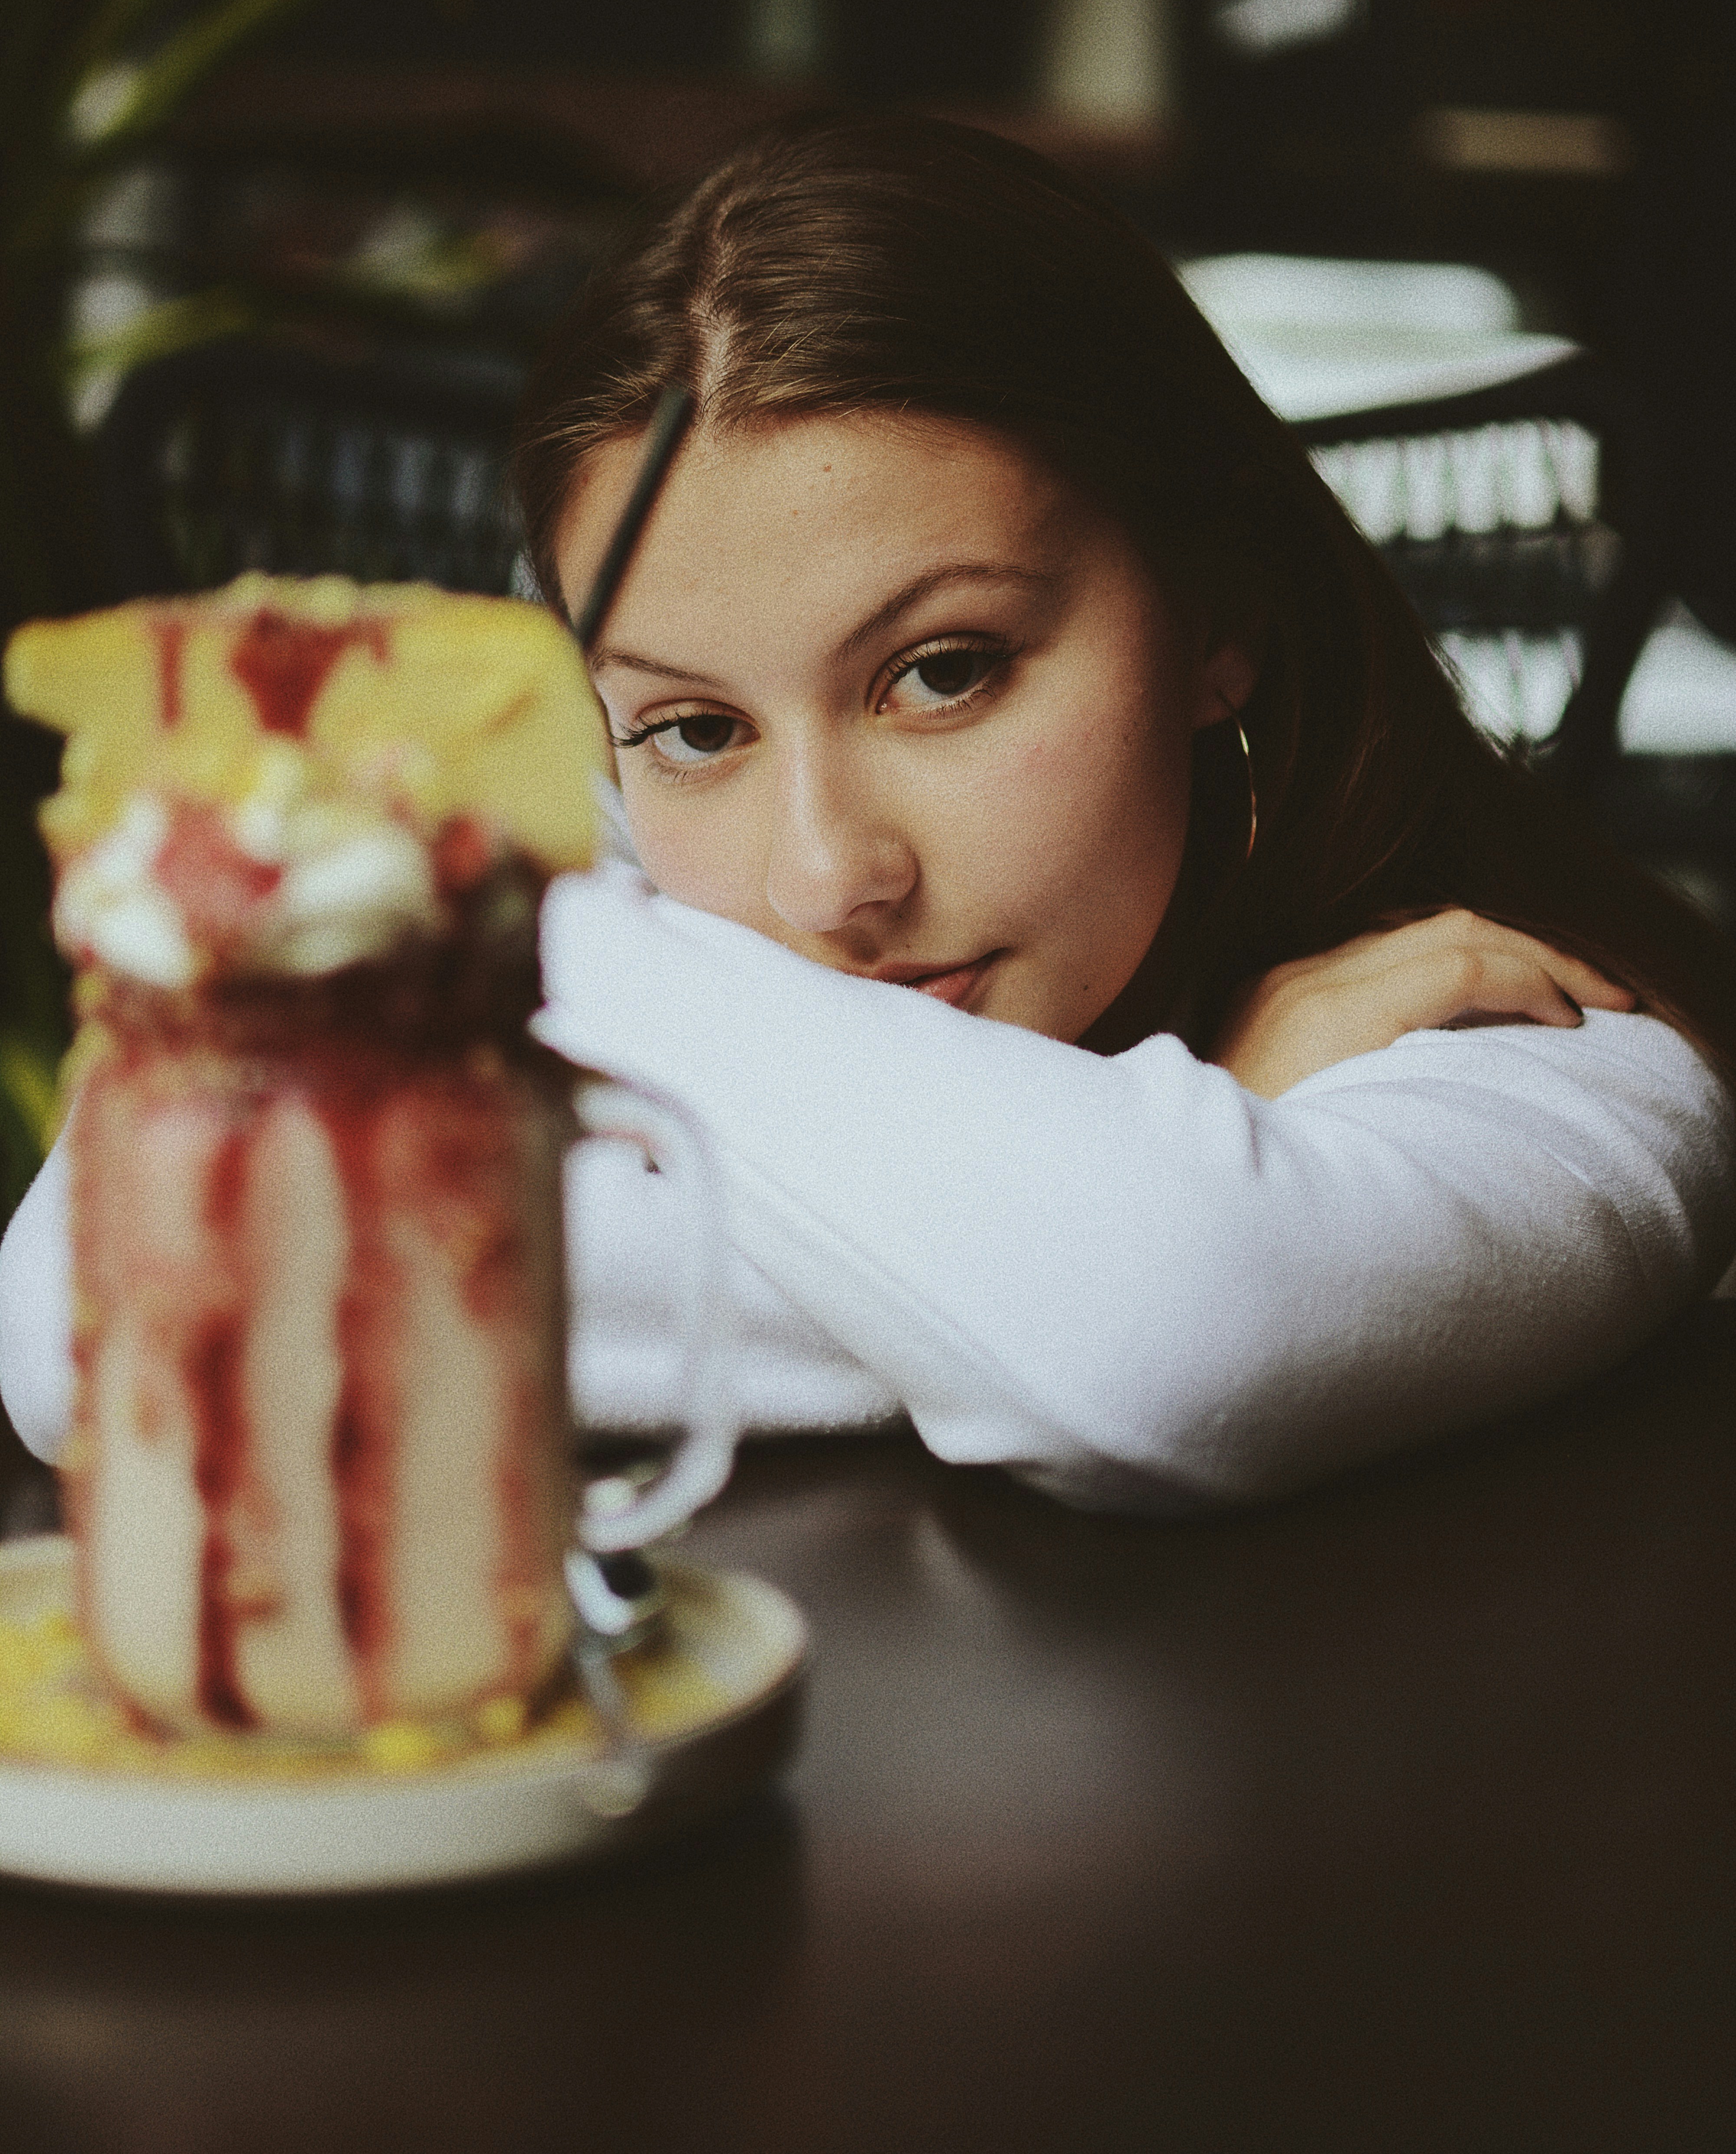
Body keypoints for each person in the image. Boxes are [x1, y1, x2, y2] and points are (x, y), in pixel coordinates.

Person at [3, 115, 1733, 1508]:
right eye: (690, 728)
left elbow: (1173, 1328)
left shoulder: (1544, 1034)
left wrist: (444, 911)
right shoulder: (621, 890)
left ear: (1217, 620)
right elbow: (93, 1309)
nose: (827, 879)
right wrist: (1185, 1138)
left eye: (944, 672)